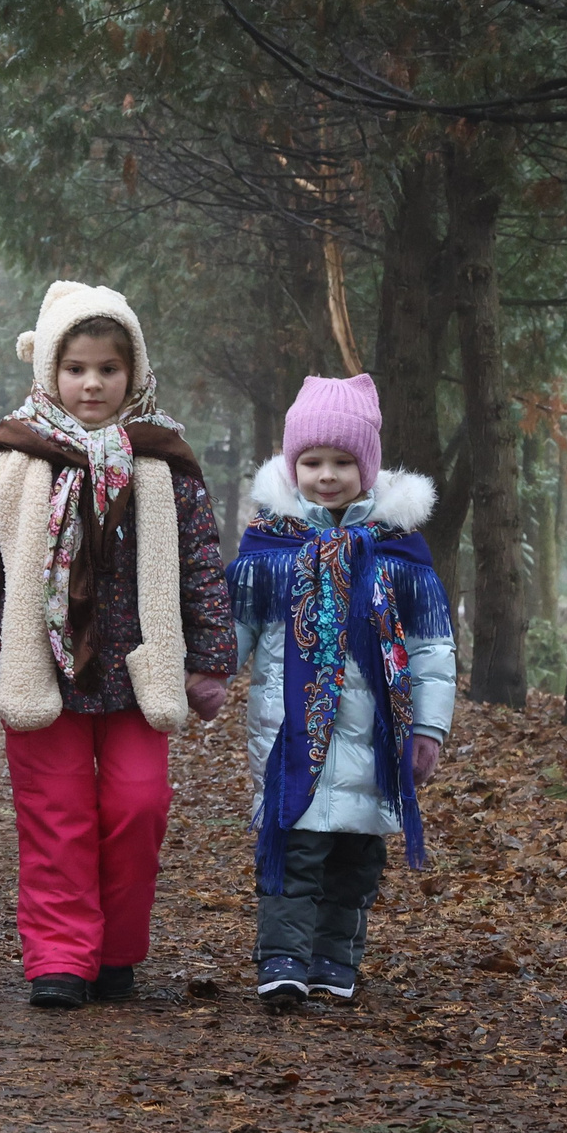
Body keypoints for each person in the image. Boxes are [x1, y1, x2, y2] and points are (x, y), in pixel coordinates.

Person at [0, 282, 236, 1008]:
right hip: (40, 660)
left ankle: (115, 950)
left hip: (137, 666)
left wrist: (210, 654)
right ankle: (60, 956)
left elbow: (201, 562)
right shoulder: (13, 456)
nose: (91, 383)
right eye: (76, 367)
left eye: (107, 368)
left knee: (138, 806)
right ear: (51, 369)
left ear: (132, 372)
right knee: (57, 814)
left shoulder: (164, 460)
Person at [230, 372, 454, 1009]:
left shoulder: (399, 553)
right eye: (312, 461)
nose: (326, 475)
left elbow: (433, 651)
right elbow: (235, 626)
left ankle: (334, 958)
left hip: (375, 735)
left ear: (368, 467)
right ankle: (283, 960)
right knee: (294, 848)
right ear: (292, 464)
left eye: (342, 461)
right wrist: (206, 674)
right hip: (291, 733)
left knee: (356, 858)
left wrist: (429, 727)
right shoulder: (270, 548)